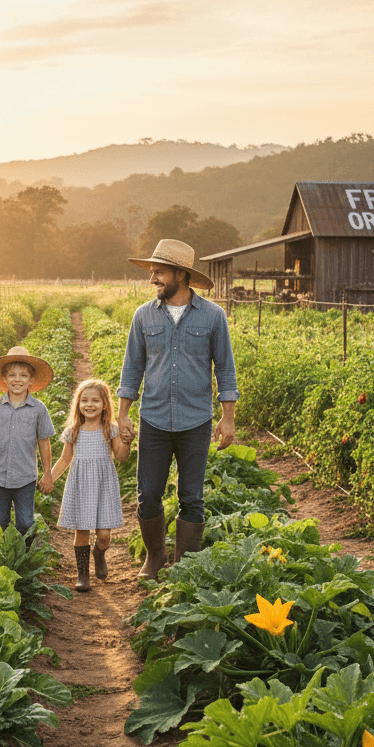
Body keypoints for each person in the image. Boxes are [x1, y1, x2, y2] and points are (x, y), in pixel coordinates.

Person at [117, 239, 239, 580]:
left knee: (191, 497)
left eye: (159, 272)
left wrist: (228, 419)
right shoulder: (143, 316)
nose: (152, 278)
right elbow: (132, 368)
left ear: (181, 274)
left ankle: (184, 566)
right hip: (153, 418)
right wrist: (122, 413)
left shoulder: (213, 316)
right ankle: (155, 557)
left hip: (195, 420)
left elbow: (225, 369)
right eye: (152, 271)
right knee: (149, 495)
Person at [0, 345, 56, 544]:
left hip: (25, 477)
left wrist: (48, 472)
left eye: (23, 375)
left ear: (31, 381)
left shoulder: (38, 409)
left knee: (25, 522)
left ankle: (27, 560)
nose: (17, 380)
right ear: (4, 379)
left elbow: (44, 441)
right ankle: (1, 559)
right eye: (12, 375)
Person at [51, 378, 130, 592]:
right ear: (78, 404)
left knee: (104, 535)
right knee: (82, 532)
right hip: (81, 486)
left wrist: (127, 442)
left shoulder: (110, 429)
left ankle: (99, 553)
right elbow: (65, 460)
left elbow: (121, 457)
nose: (89, 404)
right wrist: (49, 478)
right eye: (84, 400)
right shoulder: (73, 431)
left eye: (95, 400)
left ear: (105, 404)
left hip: (104, 486)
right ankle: (83, 575)